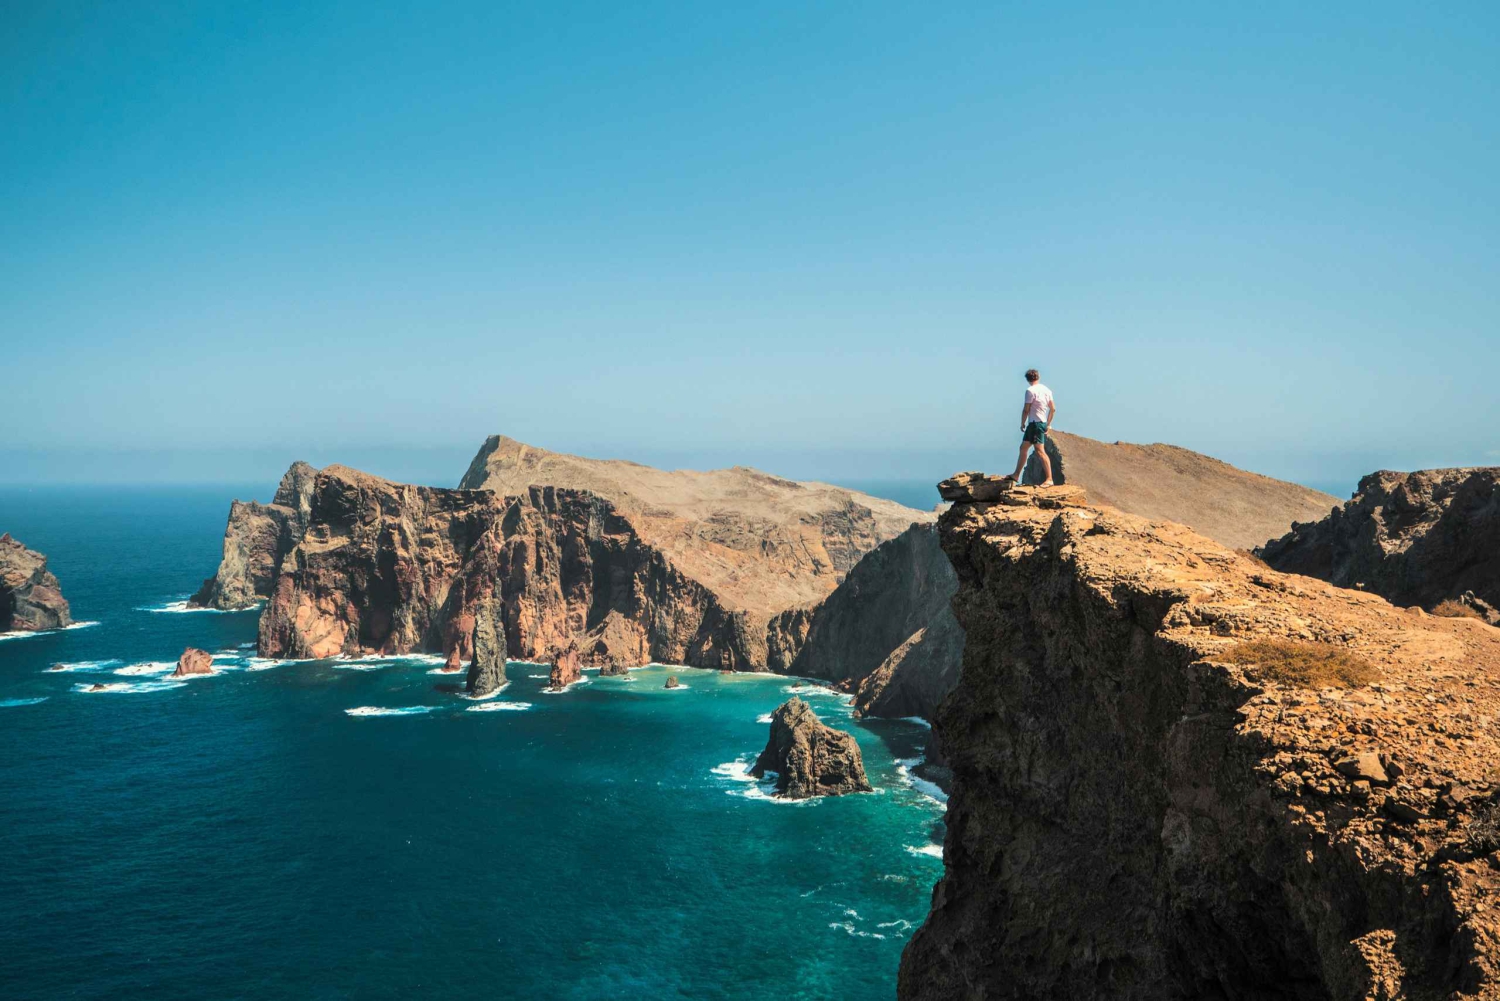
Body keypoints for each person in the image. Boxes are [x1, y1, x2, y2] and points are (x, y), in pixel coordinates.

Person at [1004, 369, 1055, 486]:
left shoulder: (1030, 391)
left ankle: (1049, 479)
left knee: (1040, 451)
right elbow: (1053, 409)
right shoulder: (1047, 390)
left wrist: (1022, 423)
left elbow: (1026, 409)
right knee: (1023, 447)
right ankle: (1016, 474)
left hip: (1035, 424)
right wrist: (1048, 424)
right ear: (1038, 377)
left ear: (1027, 379)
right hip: (1039, 423)